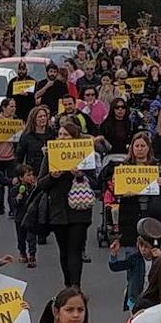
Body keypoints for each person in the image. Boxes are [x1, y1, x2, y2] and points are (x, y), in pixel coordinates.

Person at [36, 120, 96, 288]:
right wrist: (53, 176)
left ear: (74, 138)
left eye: (66, 135)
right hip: (58, 210)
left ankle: (76, 286)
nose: (62, 138)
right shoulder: (51, 155)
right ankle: (68, 284)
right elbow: (40, 184)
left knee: (75, 249)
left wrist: (80, 175)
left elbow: (95, 183)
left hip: (80, 209)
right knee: (64, 250)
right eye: (60, 134)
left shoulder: (85, 155)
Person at [108, 218, 161, 312]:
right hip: (135, 298)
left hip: (153, 298)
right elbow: (115, 267)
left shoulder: (159, 260)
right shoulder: (134, 259)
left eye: (146, 246)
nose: (143, 249)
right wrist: (113, 254)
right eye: (140, 245)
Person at [14, 165, 39, 268]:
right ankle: (23, 253)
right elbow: (13, 204)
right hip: (20, 217)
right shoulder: (16, 189)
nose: (31, 177)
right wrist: (17, 199)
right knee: (21, 237)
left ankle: (32, 255)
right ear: (21, 177)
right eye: (28, 175)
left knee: (31, 237)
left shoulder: (34, 188)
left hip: (31, 217)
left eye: (32, 175)